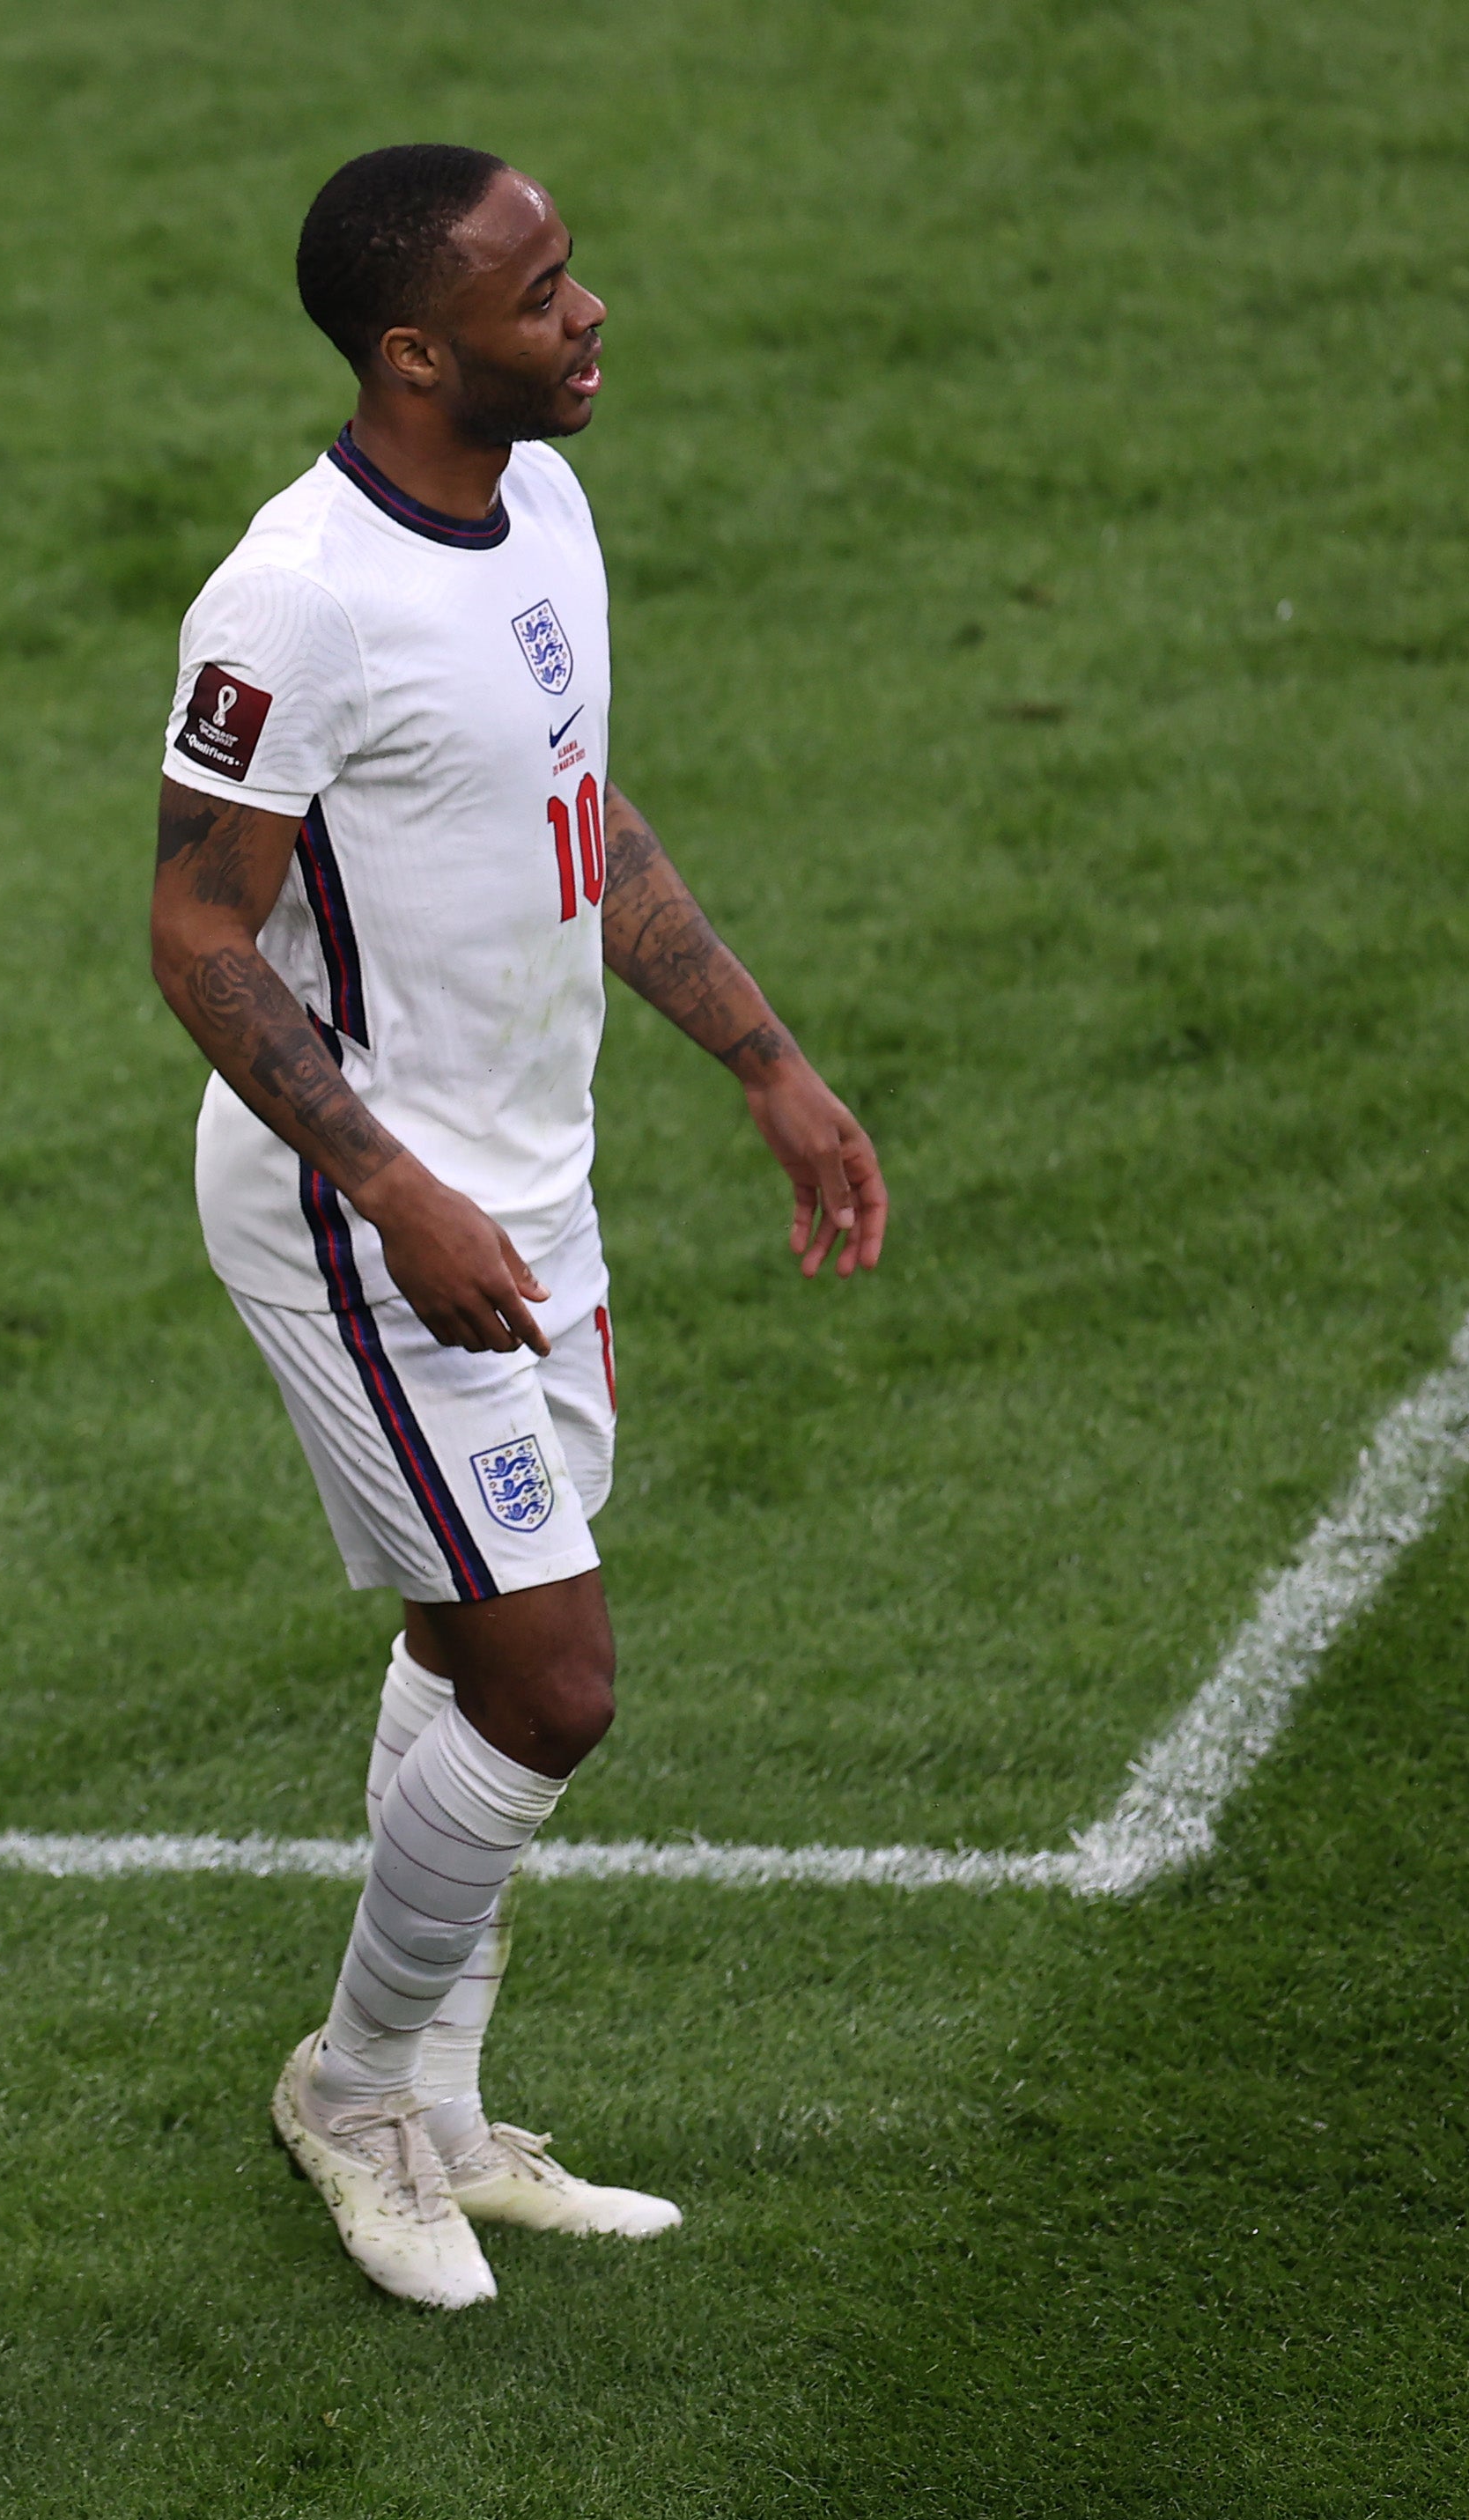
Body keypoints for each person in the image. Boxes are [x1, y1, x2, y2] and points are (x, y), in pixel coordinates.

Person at [144, 145, 886, 2309]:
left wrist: (760, 1056)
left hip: (531, 1188)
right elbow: (197, 936)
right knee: (553, 1683)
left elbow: (579, 813)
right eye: (538, 289)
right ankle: (353, 2087)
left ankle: (442, 2114)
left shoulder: (540, 508)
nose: (585, 312)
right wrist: (395, 1187)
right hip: (361, 1202)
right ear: (411, 349)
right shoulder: (292, 599)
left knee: (471, 1644)